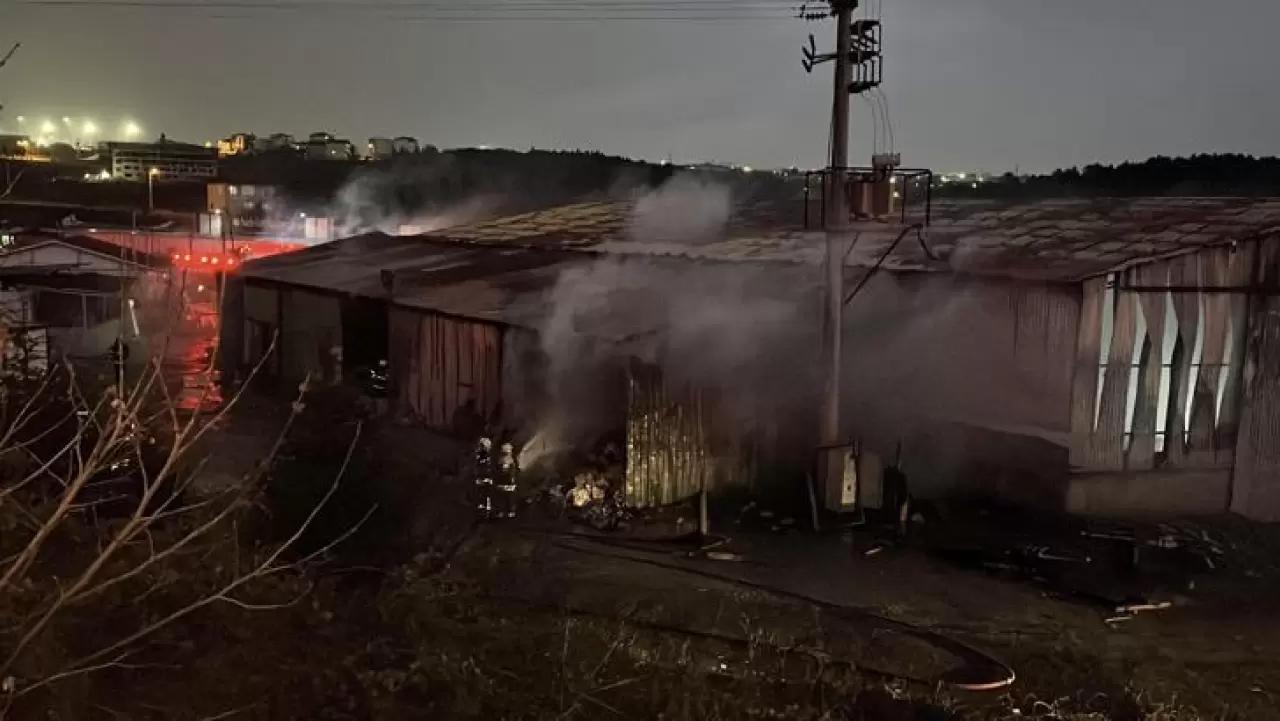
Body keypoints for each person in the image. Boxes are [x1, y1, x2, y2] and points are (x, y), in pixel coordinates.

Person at [473, 436, 496, 521]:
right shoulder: (481, 456)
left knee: (485, 495)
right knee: (484, 495)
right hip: (482, 478)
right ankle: (484, 511)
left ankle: (485, 511)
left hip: (484, 478)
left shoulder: (485, 456)